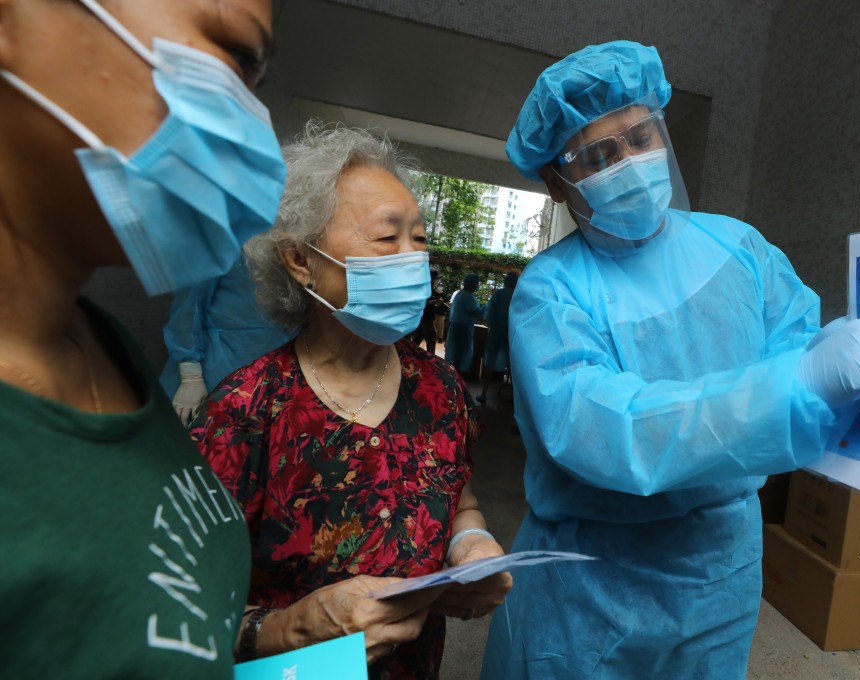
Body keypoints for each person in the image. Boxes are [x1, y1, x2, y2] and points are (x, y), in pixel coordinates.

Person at [480, 40, 860, 680]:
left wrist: (842, 354)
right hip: (593, 581)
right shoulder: (552, 289)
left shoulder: (739, 248)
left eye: (641, 137)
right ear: (556, 178)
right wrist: (794, 383)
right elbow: (603, 428)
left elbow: (795, 353)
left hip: (721, 564)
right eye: (600, 156)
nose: (629, 162)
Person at [0, 1, 448, 675]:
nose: (251, 134)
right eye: (233, 57)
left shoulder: (100, 352)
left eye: (255, 82)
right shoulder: (247, 402)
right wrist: (281, 632)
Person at [189, 123, 512, 679]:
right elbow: (177, 602)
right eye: (387, 239)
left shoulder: (441, 388)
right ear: (298, 258)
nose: (413, 259)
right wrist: (284, 631)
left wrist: (472, 543)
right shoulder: (245, 411)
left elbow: (456, 493)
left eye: (420, 238)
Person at [160, 258, 292, 424]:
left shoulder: (306, 242)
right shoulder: (226, 240)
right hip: (213, 367)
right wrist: (190, 374)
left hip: (280, 371)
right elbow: (189, 302)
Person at [478, 271, 518, 404]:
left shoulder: (498, 294)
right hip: (512, 332)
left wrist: (491, 324)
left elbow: (489, 313)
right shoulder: (517, 296)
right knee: (513, 364)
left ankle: (484, 394)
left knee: (490, 361)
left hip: (496, 331)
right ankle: (515, 398)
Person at [443, 273, 486, 378]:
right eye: (476, 284)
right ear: (471, 285)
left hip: (456, 327)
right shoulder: (468, 297)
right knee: (461, 354)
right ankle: (457, 379)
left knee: (453, 353)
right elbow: (476, 312)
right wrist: (485, 307)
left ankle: (451, 377)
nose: (477, 287)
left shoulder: (459, 294)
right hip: (463, 329)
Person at [410, 268, 449, 354]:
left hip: (422, 318)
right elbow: (423, 302)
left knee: (416, 342)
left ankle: (408, 359)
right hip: (426, 319)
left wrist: (436, 303)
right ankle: (431, 361)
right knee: (431, 339)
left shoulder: (428, 287)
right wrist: (435, 302)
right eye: (436, 278)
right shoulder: (427, 288)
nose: (437, 280)